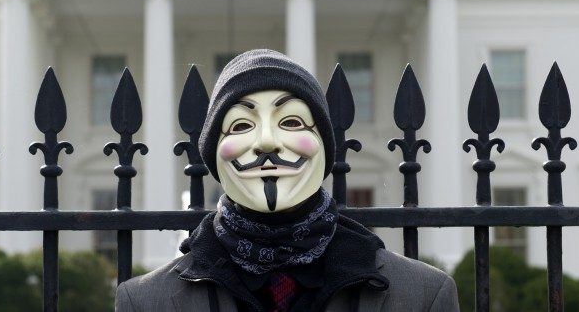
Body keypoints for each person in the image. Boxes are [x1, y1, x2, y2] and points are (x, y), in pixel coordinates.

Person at [115, 49, 459, 311]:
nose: (266, 141)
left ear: (325, 145)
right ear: (213, 152)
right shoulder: (145, 302)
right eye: (240, 125)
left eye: (292, 122)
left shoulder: (423, 295)